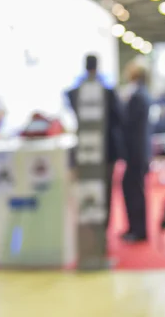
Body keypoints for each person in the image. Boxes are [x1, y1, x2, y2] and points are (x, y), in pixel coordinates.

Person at [67, 55, 124, 230]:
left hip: (86, 148)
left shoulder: (75, 92)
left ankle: (92, 227)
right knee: (104, 189)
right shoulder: (108, 91)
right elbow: (119, 118)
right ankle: (102, 227)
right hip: (106, 150)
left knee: (89, 188)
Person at [120, 60, 151, 243]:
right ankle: (135, 228)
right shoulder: (141, 94)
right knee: (132, 189)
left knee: (134, 190)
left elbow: (129, 123)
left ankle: (138, 230)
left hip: (136, 151)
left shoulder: (138, 96)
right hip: (138, 150)